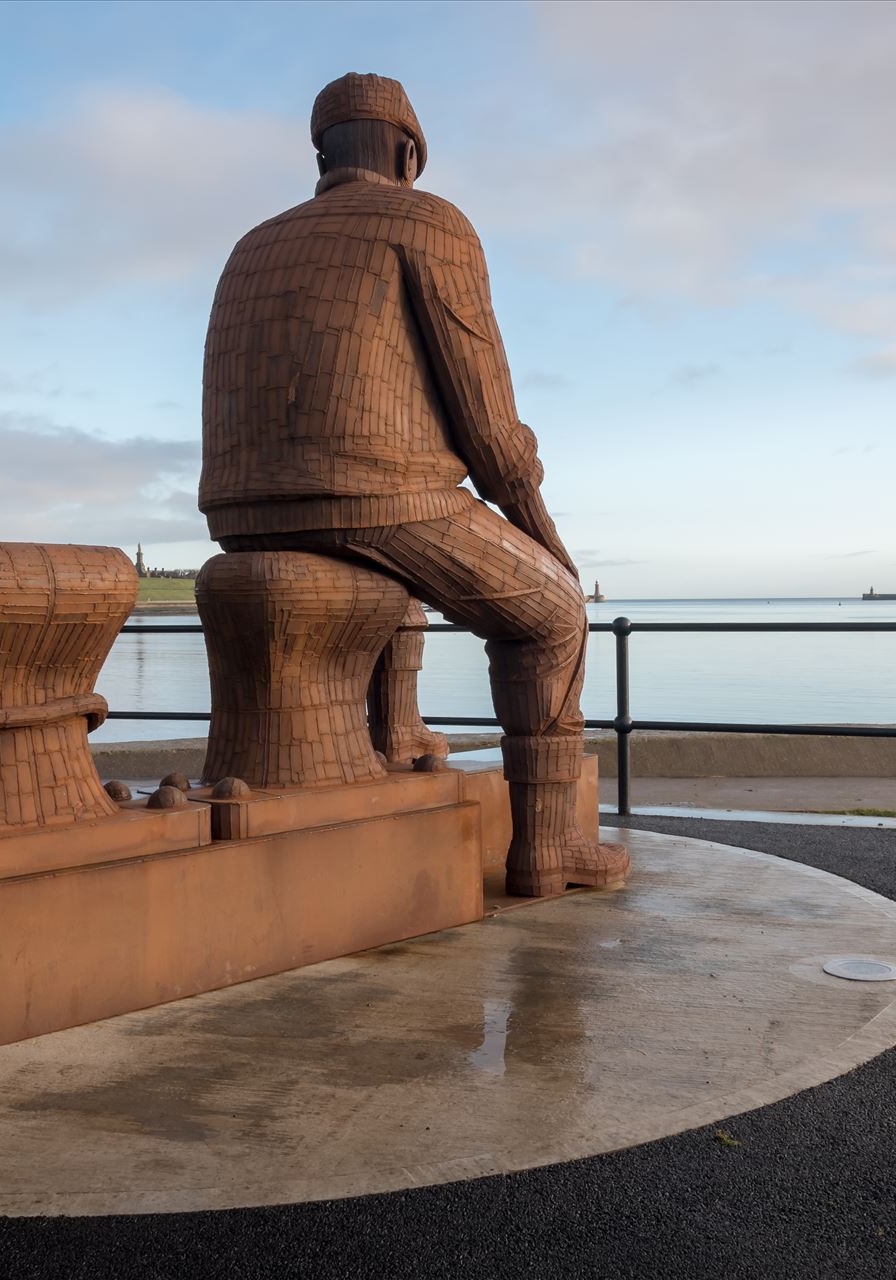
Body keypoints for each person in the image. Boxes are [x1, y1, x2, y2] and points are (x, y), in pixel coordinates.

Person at [199, 72, 627, 896]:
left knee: (397, 572)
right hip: (381, 493)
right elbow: (488, 423)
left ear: (323, 151)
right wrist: (545, 539)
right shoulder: (428, 221)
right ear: (406, 151)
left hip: (241, 507)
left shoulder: (252, 243)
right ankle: (546, 850)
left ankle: (396, 732)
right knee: (552, 616)